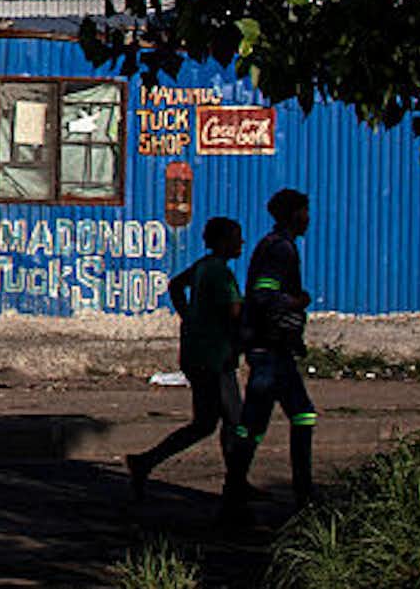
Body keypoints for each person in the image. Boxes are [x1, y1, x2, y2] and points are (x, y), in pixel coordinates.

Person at [126, 216, 245, 500]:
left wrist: (188, 318)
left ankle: (145, 461)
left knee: (206, 423)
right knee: (234, 419)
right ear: (222, 241)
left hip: (196, 354)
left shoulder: (203, 267)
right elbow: (235, 314)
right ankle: (236, 483)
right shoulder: (221, 274)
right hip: (216, 358)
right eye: (235, 237)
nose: (240, 243)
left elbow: (176, 285)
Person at [221, 189, 317, 523]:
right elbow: (265, 294)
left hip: (271, 348)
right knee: (301, 415)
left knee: (255, 423)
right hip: (270, 351)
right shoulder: (280, 249)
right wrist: (297, 302)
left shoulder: (274, 244)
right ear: (293, 214)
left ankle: (234, 491)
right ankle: (303, 493)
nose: (308, 218)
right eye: (304, 211)